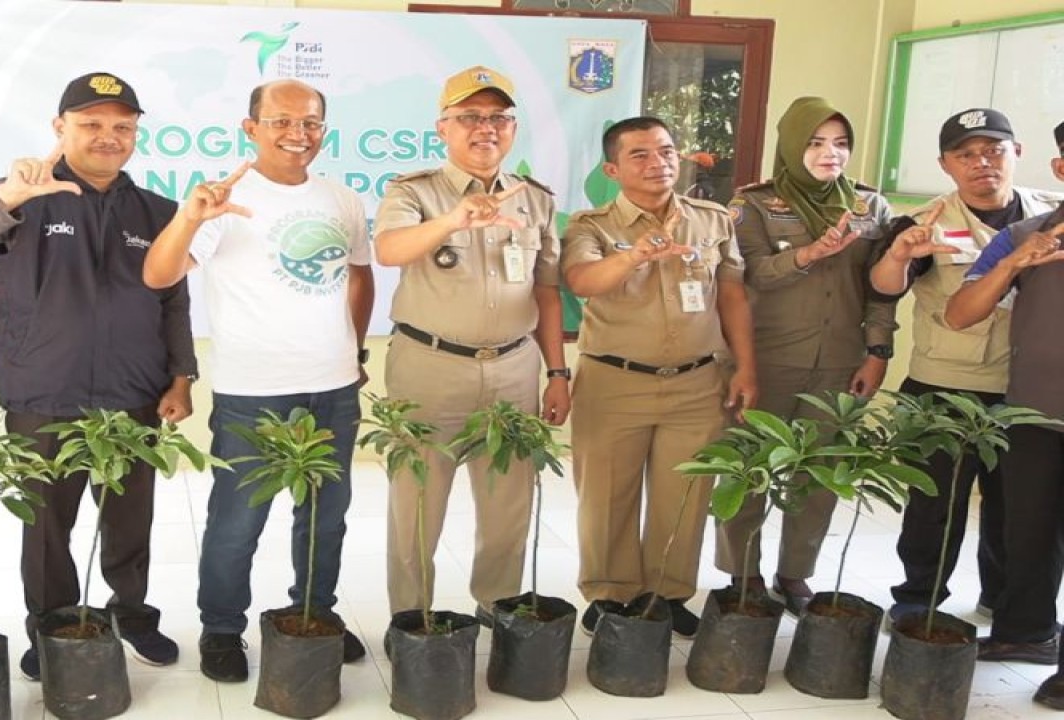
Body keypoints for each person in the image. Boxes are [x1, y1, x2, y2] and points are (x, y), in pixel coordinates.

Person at [0, 72, 197, 681]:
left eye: (122, 126)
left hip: (134, 393)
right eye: (91, 124)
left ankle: (132, 614)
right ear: (60, 127)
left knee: (129, 517)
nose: (108, 136)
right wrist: (8, 198)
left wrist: (181, 376)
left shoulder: (158, 211)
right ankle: (50, 623)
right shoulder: (25, 192)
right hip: (43, 392)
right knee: (46, 524)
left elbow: (174, 302)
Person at [142, 79, 374, 683]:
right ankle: (222, 628)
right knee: (238, 521)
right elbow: (159, 274)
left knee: (326, 515)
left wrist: (352, 349)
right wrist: (189, 218)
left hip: (333, 388)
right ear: (251, 129)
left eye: (311, 123)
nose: (298, 134)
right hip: (253, 392)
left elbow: (359, 275)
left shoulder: (342, 199)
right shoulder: (224, 199)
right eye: (281, 122)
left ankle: (315, 612)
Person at [374, 66, 570, 624]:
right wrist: (456, 218)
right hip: (430, 368)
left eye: (498, 118)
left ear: (513, 128)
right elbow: (389, 249)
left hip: (513, 368)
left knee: (509, 505)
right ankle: (412, 620)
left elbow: (547, 291)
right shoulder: (413, 191)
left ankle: (498, 608)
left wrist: (558, 373)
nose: (486, 128)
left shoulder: (535, 199)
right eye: (470, 117)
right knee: (416, 506)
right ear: (443, 128)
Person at [563, 117, 757, 638]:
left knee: (685, 495)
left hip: (696, 382)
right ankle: (609, 593)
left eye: (667, 151)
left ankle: (667, 593)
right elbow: (582, 280)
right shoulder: (592, 225)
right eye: (641, 155)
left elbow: (732, 295)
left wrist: (746, 367)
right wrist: (635, 255)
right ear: (612, 170)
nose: (659, 163)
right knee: (607, 497)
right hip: (614, 382)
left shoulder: (712, 220)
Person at [869, 109, 1062, 628]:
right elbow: (884, 289)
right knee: (935, 504)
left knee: (1014, 507)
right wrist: (898, 257)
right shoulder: (925, 221)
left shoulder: (1048, 216)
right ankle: (918, 597)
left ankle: (1002, 598)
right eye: (966, 155)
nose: (982, 164)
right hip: (946, 385)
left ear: (1017, 153)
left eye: (994, 151)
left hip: (1024, 391)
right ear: (945, 165)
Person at [715, 96, 897, 614]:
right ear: (792, 146)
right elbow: (747, 274)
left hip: (840, 361)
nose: (829, 153)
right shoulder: (752, 205)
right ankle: (742, 573)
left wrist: (878, 350)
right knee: (748, 468)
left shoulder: (869, 207)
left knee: (819, 475)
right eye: (815, 143)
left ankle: (795, 573)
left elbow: (881, 289)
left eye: (840, 143)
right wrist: (810, 253)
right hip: (766, 359)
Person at [945, 121, 1064, 678]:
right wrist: (1016, 262)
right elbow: (960, 313)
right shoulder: (1023, 235)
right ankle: (1025, 634)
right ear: (1060, 168)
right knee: (1028, 531)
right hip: (1034, 413)